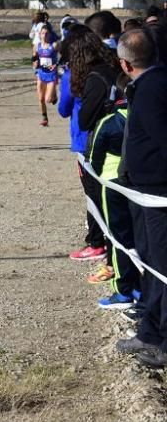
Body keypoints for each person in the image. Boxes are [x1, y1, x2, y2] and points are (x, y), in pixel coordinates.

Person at [114, 29, 167, 368]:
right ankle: (149, 331)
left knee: (162, 267)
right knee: (148, 259)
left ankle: (162, 342)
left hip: (160, 193)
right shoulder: (147, 85)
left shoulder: (152, 89)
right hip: (144, 191)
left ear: (125, 63)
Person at [86, 73, 140, 310]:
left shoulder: (108, 123)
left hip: (112, 185)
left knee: (118, 239)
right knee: (140, 237)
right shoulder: (146, 119)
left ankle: (123, 290)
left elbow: (92, 160)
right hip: (141, 186)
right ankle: (141, 285)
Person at [57, 24, 107, 263]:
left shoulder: (71, 76)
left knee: (92, 193)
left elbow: (63, 109)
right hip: (110, 136)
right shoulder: (107, 69)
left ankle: (97, 242)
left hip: (83, 139)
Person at [32, 25, 59, 127]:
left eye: (46, 33)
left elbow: (63, 56)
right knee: (41, 98)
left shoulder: (55, 45)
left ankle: (54, 95)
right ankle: (44, 118)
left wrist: (56, 65)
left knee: (48, 99)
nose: (44, 35)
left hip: (51, 74)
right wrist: (34, 63)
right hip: (41, 73)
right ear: (39, 34)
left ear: (50, 35)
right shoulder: (37, 46)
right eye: (43, 33)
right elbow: (34, 58)